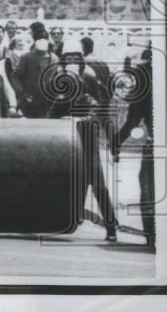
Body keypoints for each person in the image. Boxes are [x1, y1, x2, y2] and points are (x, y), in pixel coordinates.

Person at [45, 40, 118, 241]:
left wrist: (79, 119)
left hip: (87, 141)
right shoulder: (60, 88)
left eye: (75, 57)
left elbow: (97, 109)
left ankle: (111, 226)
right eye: (68, 58)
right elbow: (51, 113)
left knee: (98, 184)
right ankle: (68, 219)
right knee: (68, 183)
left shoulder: (89, 85)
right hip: (67, 145)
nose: (72, 61)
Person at [112, 53, 154, 245]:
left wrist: (116, 143)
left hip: (157, 146)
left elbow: (132, 121)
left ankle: (152, 236)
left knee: (149, 191)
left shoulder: (145, 74)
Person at [12, 31, 60, 118]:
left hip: (47, 101)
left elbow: (57, 78)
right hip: (29, 100)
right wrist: (22, 93)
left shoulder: (55, 59)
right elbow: (16, 76)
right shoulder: (26, 57)